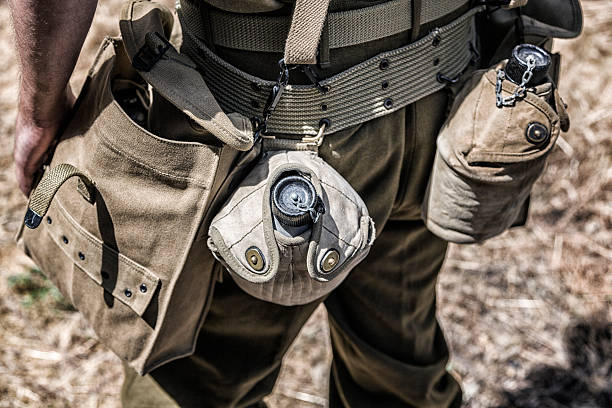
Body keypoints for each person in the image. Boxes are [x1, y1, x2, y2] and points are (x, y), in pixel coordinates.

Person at [9, 0, 568, 406]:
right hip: (448, 101)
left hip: (263, 134)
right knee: (396, 360)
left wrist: (39, 109)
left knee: (195, 382)